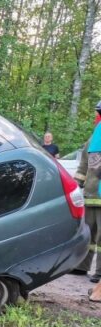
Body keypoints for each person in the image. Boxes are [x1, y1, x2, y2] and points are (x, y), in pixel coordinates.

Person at [74, 102, 101, 282]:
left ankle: (99, 272)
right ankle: (81, 266)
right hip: (91, 194)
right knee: (87, 232)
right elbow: (84, 163)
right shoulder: (95, 136)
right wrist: (77, 183)